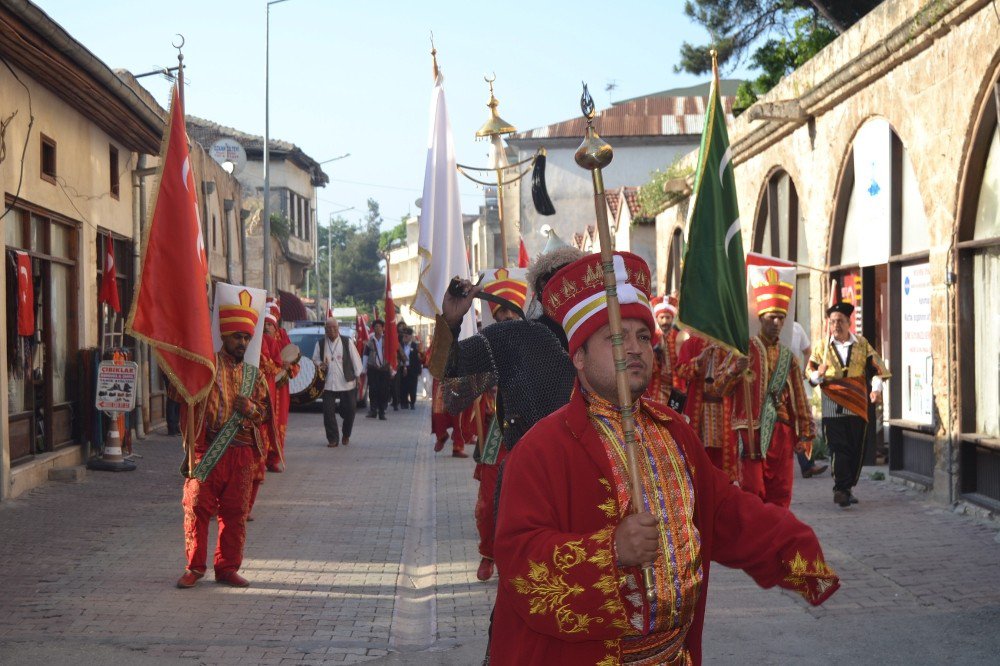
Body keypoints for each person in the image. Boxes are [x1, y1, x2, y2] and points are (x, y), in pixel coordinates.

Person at [491, 252, 839, 665]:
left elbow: (724, 511)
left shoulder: (672, 431)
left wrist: (794, 549)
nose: (635, 349)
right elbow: (519, 563)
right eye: (617, 338)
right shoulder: (540, 450)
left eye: (643, 337)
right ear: (578, 357)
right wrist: (611, 551)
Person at [174, 289, 272, 589]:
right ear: (224, 336)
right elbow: (179, 392)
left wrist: (251, 409)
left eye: (246, 338)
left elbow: (266, 413)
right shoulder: (205, 367)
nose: (242, 343)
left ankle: (227, 567)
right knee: (197, 509)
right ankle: (195, 567)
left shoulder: (255, 376)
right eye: (237, 337)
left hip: (241, 453)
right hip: (208, 449)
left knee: (235, 514)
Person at [731, 269, 815, 509]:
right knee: (753, 492)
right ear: (760, 318)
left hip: (782, 432)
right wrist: (735, 370)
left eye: (781, 318)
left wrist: (806, 433)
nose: (777, 323)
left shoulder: (790, 358)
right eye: (771, 318)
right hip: (752, 431)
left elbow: (799, 398)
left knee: (781, 492)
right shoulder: (744, 351)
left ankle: (778, 540)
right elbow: (719, 388)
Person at [467, 269, 529, 582]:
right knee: (488, 503)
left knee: (526, 502)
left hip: (530, 431)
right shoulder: (485, 345)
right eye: (499, 310)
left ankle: (520, 559)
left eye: (510, 310)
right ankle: (487, 553)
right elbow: (459, 385)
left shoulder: (537, 342)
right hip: (495, 432)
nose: (505, 316)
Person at [807, 299, 890, 507]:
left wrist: (876, 390)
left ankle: (847, 486)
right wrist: (819, 373)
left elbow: (876, 370)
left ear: (849, 323)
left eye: (841, 321)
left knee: (856, 448)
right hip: (832, 403)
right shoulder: (821, 347)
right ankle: (841, 489)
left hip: (857, 402)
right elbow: (810, 376)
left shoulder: (862, 344)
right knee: (838, 447)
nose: (836, 325)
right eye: (833, 321)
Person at [675, 334, 745, 482]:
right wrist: (698, 362)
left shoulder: (731, 344)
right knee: (699, 452)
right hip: (699, 408)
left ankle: (723, 487)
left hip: (724, 408)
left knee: (724, 457)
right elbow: (681, 371)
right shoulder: (693, 342)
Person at [314, 316, 362, 447]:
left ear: (338, 328)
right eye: (329, 328)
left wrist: (358, 376)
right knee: (328, 413)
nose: (332, 330)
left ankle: (346, 433)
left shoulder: (347, 342)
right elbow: (315, 359)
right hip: (328, 383)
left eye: (334, 327)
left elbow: (356, 359)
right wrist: (320, 364)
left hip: (346, 382)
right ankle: (333, 439)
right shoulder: (320, 343)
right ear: (325, 330)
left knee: (350, 410)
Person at [791, 320, 828, 478]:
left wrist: (803, 372)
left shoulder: (796, 328)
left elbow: (807, 351)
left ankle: (807, 464)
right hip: (771, 384)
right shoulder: (764, 325)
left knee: (804, 420)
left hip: (793, 382)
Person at [644, 293, 685, 404]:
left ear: (672, 318)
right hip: (656, 386)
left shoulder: (679, 337)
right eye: (662, 317)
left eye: (668, 317)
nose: (665, 321)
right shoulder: (651, 337)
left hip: (675, 387)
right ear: (657, 318)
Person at [362, 319, 391, 420]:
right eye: (375, 327)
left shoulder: (388, 341)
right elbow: (365, 355)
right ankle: (373, 410)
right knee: (373, 390)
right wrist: (363, 368)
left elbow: (392, 354)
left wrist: (392, 368)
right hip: (373, 369)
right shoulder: (369, 341)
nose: (377, 328)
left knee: (384, 391)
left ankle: (382, 411)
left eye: (379, 326)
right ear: (373, 329)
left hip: (384, 369)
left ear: (383, 328)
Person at [399, 327, 422, 409]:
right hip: (402, 369)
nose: (405, 337)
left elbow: (418, 359)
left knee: (412, 387)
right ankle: (404, 403)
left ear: (410, 336)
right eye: (404, 336)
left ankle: (412, 402)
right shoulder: (400, 346)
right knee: (403, 387)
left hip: (412, 369)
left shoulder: (415, 346)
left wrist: (419, 371)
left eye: (407, 336)